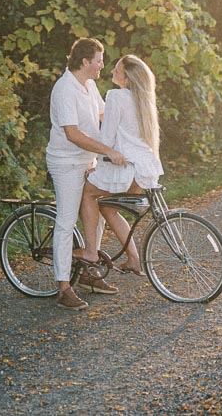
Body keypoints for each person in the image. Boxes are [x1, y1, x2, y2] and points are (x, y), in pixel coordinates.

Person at [45, 37, 129, 311]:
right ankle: (63, 288)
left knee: (97, 212)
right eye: (99, 60)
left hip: (89, 159)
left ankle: (89, 273)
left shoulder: (89, 85)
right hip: (67, 162)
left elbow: (104, 117)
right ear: (85, 62)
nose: (102, 66)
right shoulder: (64, 89)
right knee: (66, 221)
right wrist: (108, 149)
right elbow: (73, 134)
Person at [78, 53, 163, 276]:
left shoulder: (116, 96)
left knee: (88, 194)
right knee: (107, 207)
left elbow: (106, 139)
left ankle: (90, 252)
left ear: (128, 76)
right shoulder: (143, 100)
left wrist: (97, 160)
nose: (112, 71)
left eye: (117, 69)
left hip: (128, 170)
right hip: (144, 171)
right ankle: (134, 258)